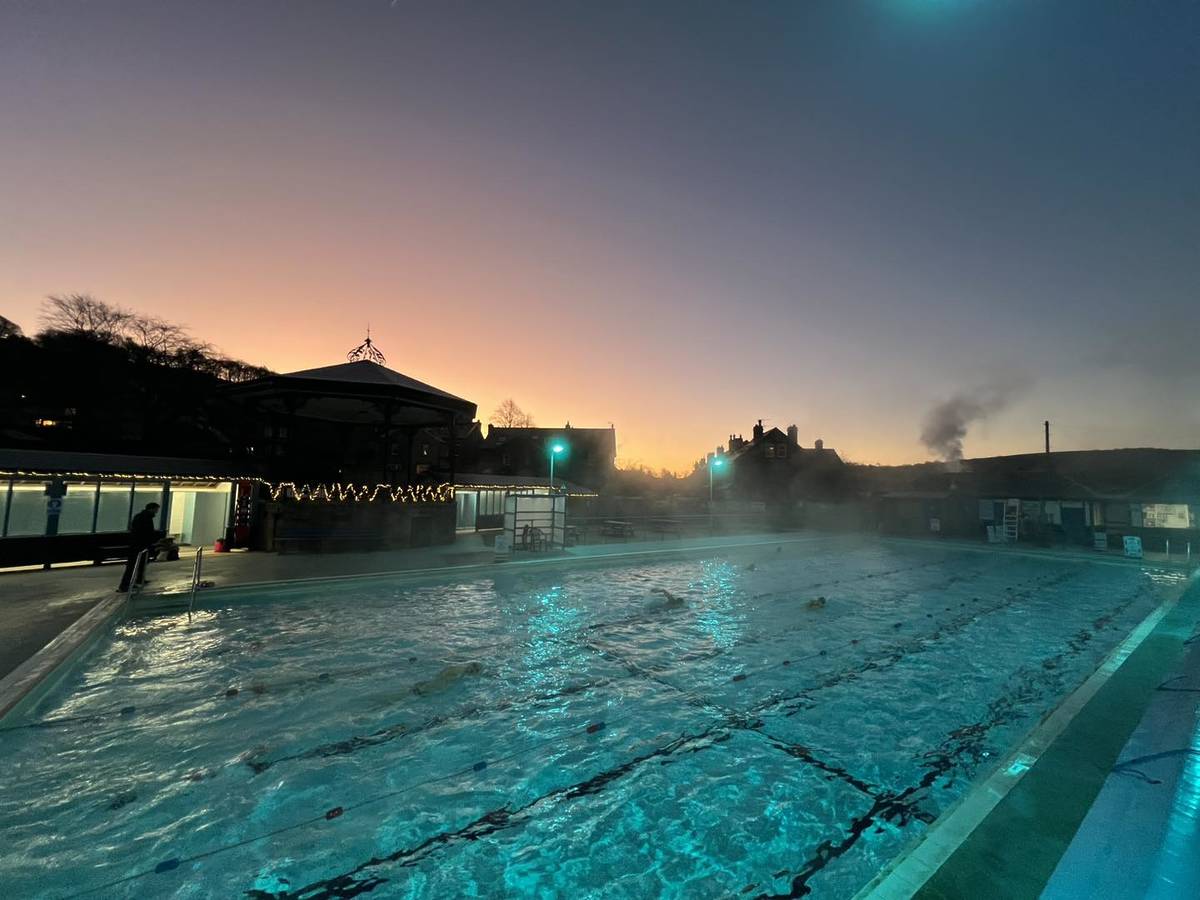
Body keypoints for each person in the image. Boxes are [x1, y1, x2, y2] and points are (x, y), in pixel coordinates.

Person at [117, 502, 163, 592]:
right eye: (156, 509)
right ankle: (125, 585)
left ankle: (136, 581)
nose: (157, 512)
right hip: (139, 545)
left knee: (139, 564)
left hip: (138, 544)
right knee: (134, 565)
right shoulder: (145, 518)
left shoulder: (141, 517)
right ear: (151, 509)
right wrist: (153, 540)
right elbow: (146, 532)